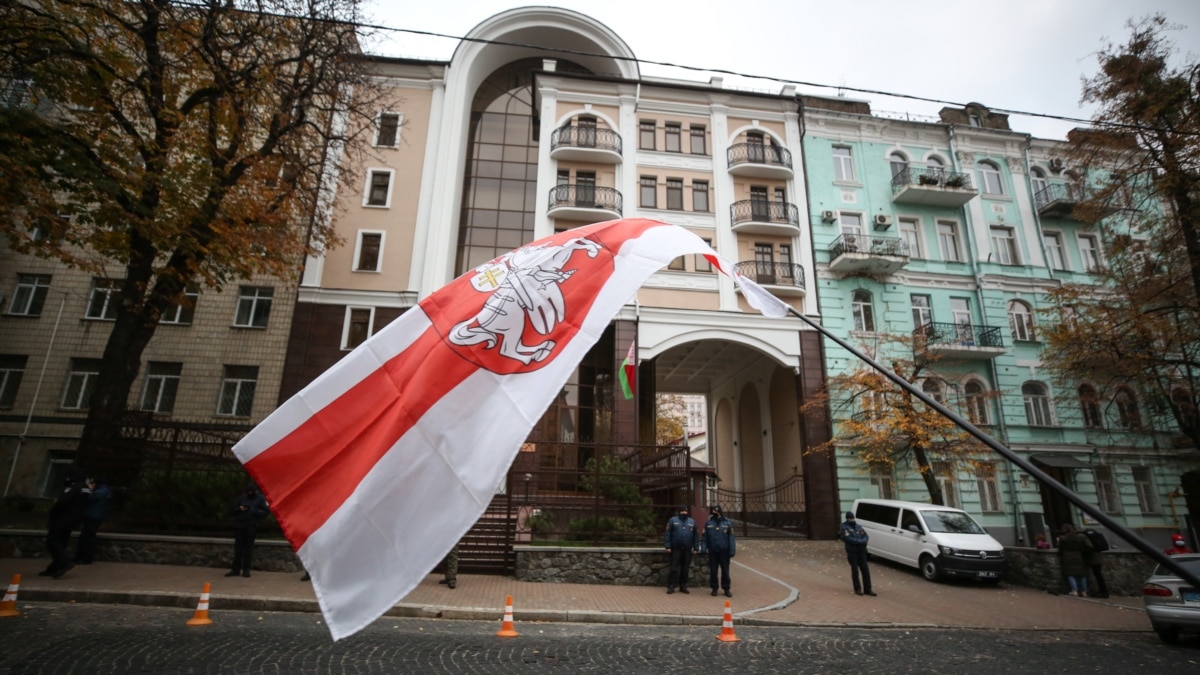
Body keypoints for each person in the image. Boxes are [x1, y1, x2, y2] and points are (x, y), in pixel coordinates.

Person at [41, 469, 90, 579]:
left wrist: (53, 512)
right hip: (73, 520)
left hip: (62, 519)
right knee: (61, 542)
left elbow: (63, 501)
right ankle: (54, 567)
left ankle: (64, 562)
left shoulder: (74, 487)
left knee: (52, 541)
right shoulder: (86, 489)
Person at [226, 483, 269, 578]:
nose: (250, 493)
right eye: (248, 491)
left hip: (251, 526)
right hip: (240, 525)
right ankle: (235, 569)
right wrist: (240, 508)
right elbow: (231, 510)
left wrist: (253, 510)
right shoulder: (242, 498)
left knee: (248, 548)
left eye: (252, 492)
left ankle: (246, 569)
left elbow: (265, 512)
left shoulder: (260, 499)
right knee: (238, 549)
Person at [74, 476, 112, 565]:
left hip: (92, 516)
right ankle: (84, 556)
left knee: (86, 537)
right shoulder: (106, 491)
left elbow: (88, 496)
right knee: (87, 537)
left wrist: (83, 489)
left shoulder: (100, 491)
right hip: (97, 516)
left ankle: (85, 557)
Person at [701, 503, 735, 598]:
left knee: (725, 571)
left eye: (716, 511)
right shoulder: (709, 523)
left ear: (720, 511)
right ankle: (714, 588)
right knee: (713, 571)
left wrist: (732, 550)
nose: (714, 513)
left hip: (724, 551)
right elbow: (704, 537)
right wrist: (704, 548)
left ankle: (726, 588)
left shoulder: (727, 523)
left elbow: (731, 538)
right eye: (713, 511)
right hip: (713, 551)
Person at [664, 505, 698, 594]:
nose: (684, 513)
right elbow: (668, 534)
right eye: (682, 511)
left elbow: (695, 536)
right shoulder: (672, 520)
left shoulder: (692, 522)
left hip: (687, 549)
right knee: (674, 568)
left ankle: (683, 586)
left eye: (686, 511)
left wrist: (696, 547)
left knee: (685, 569)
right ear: (679, 512)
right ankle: (671, 586)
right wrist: (668, 546)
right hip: (676, 549)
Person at [839, 511, 875, 596]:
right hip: (852, 552)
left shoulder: (858, 526)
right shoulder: (844, 527)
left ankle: (868, 589)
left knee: (865, 570)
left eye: (852, 518)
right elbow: (848, 538)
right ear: (847, 518)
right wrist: (860, 542)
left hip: (861, 551)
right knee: (855, 570)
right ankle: (857, 588)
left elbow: (865, 536)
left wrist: (863, 541)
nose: (851, 519)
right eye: (849, 518)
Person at [1057, 523, 1093, 597]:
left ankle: (1074, 590)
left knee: (1071, 574)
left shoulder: (1063, 538)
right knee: (1082, 574)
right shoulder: (1079, 537)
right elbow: (1084, 547)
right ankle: (1084, 591)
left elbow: (1060, 548)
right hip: (1078, 556)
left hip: (1067, 557)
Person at [1082, 527, 1111, 598]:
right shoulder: (1094, 534)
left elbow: (1089, 546)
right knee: (1098, 575)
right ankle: (1103, 591)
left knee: (1095, 575)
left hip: (1092, 557)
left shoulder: (1084, 536)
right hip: (1098, 556)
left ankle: (1100, 592)